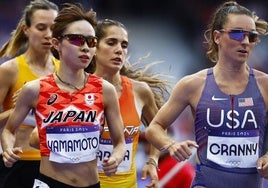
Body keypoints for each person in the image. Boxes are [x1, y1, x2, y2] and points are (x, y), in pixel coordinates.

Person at [1, 3, 126, 188]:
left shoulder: (105, 90)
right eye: (76, 40)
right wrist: (8, 149)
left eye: (91, 42)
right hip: (49, 183)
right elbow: (9, 130)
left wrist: (116, 158)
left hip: (91, 184)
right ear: (56, 43)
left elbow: (120, 143)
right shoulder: (34, 89)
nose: (85, 47)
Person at [145, 1, 268, 188]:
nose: (244, 41)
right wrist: (171, 145)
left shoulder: (265, 84)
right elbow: (155, 127)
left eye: (251, 37)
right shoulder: (193, 84)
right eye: (236, 33)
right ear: (217, 36)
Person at [85, 19, 170, 188]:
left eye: (124, 45)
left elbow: (159, 126)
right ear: (94, 48)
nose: (119, 50)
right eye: (111, 43)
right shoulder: (78, 89)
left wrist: (152, 161)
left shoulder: (140, 91)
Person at [0, 0, 58, 187]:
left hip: (55, 164)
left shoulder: (65, 71)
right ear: (26, 29)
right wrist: (21, 107)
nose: (48, 35)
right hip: (17, 162)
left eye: (53, 28)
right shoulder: (9, 70)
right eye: (41, 28)